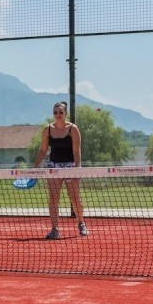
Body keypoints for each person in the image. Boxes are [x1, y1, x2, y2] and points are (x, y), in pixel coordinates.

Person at [33, 100, 88, 240]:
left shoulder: (73, 129)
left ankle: (81, 223)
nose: (58, 114)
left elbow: (77, 151)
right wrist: (35, 168)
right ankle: (55, 229)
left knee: (74, 198)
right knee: (53, 199)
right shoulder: (48, 129)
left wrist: (76, 169)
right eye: (55, 112)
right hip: (53, 167)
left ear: (66, 114)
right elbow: (43, 150)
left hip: (70, 166)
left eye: (60, 112)